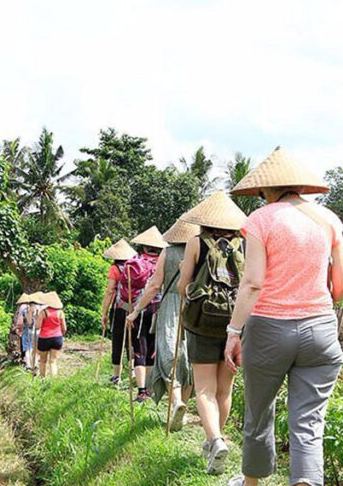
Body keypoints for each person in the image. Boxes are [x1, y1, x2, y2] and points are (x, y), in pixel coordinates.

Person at [223, 147, 343, 486]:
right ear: (299, 186)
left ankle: (250, 483)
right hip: (320, 329)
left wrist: (234, 332)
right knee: (308, 423)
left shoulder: (261, 219)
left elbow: (252, 283)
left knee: (259, 412)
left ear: (267, 189)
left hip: (268, 329)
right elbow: (342, 287)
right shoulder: (329, 220)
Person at [177, 190, 247, 475]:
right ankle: (215, 439)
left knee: (204, 389)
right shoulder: (246, 243)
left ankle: (215, 440)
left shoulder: (196, 242)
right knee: (224, 388)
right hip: (236, 323)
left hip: (202, 322)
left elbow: (183, 286)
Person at [127, 219, 198, 429]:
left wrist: (137, 310)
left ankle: (176, 402)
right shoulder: (200, 251)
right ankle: (183, 408)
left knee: (169, 354)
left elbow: (154, 285)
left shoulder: (167, 252)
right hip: (194, 306)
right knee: (189, 357)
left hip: (170, 306)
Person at [125, 226, 167, 403]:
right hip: (160, 308)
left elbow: (125, 286)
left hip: (141, 307)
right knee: (152, 349)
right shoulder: (164, 261)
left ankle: (141, 391)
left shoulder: (134, 262)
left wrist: (134, 311)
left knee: (139, 349)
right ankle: (149, 389)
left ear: (143, 246)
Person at [100, 239, 138, 385]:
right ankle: (133, 372)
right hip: (135, 308)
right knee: (132, 340)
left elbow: (110, 291)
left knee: (118, 340)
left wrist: (104, 313)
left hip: (120, 308)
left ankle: (117, 375)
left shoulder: (115, 268)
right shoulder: (137, 266)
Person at [36, 291, 67, 378]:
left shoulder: (43, 312)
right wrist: (61, 334)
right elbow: (64, 328)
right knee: (53, 361)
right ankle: (53, 380)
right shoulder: (60, 313)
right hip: (57, 337)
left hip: (44, 338)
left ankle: (42, 378)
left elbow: (37, 327)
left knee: (43, 361)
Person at [15, 293, 34, 369]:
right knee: (33, 347)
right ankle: (35, 364)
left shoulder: (23, 307)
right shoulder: (36, 307)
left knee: (27, 347)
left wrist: (18, 329)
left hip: (27, 330)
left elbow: (20, 322)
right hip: (36, 330)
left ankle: (28, 364)